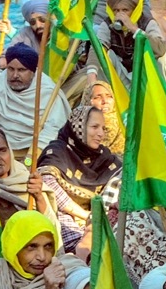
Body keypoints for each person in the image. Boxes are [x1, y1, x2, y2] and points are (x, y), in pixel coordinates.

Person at [37, 106, 123, 251]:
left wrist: (97, 218)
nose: (101, 133)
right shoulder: (58, 151)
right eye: (94, 127)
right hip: (63, 215)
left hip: (97, 220)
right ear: (78, 127)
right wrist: (84, 215)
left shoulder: (106, 160)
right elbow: (47, 183)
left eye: (103, 128)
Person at [0, 42, 71, 159]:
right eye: (11, 69)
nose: (15, 75)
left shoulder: (48, 92)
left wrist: (31, 159)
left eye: (21, 70)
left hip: (37, 153)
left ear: (33, 72)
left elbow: (52, 131)